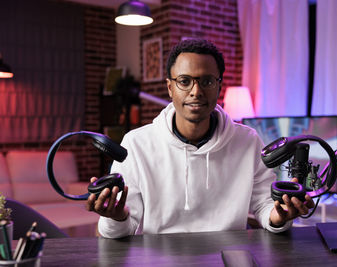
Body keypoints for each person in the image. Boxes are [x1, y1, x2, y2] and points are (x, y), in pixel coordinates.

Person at [86, 39, 314, 238]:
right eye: (184, 81)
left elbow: (265, 208)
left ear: (219, 86)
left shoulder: (248, 141)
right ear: (170, 87)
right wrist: (115, 218)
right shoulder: (136, 145)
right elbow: (124, 227)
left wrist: (278, 218)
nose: (196, 91)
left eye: (206, 81)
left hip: (229, 255)